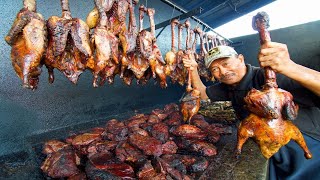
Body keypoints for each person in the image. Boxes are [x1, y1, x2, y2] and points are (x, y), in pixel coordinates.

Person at [182, 42, 320, 179]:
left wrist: (290, 67)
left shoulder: (268, 76)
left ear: (240, 59)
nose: (223, 72)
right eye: (215, 69)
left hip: (302, 145)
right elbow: (202, 92)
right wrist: (193, 69)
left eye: (226, 64)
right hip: (267, 148)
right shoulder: (229, 85)